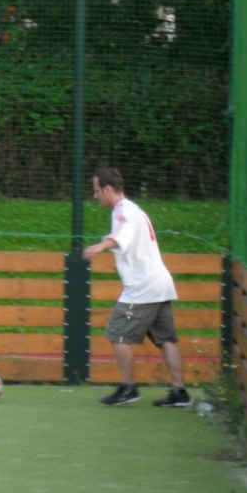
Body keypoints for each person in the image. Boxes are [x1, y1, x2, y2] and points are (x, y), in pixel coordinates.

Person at [82, 168, 191, 407]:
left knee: (117, 333)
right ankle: (180, 392)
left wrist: (99, 247)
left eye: (97, 191)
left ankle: (128, 389)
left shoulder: (123, 211)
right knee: (165, 339)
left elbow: (123, 234)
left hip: (144, 287)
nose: (95, 196)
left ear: (108, 189)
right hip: (160, 283)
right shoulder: (134, 209)